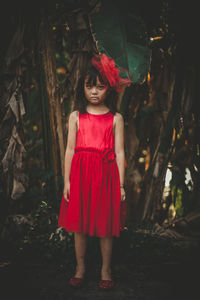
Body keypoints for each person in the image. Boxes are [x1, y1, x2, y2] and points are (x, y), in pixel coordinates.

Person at [58, 53, 131, 290]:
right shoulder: (76, 116)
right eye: (90, 86)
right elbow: (70, 149)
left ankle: (105, 269)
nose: (95, 92)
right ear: (83, 88)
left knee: (104, 226)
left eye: (100, 87)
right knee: (79, 225)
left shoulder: (116, 118)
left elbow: (119, 152)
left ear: (109, 89)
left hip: (106, 176)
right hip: (80, 176)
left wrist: (120, 184)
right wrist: (67, 181)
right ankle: (80, 268)